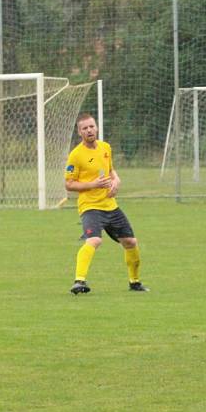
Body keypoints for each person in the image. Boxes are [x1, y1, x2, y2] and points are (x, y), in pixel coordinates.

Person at [64, 112, 149, 295]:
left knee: (131, 242)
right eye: (84, 128)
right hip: (90, 207)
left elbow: (111, 171)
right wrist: (92, 184)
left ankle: (134, 282)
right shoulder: (76, 155)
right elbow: (69, 184)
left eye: (91, 126)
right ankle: (79, 281)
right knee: (94, 240)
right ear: (80, 132)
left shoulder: (105, 148)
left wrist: (116, 181)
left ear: (96, 128)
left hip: (110, 205)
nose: (89, 130)